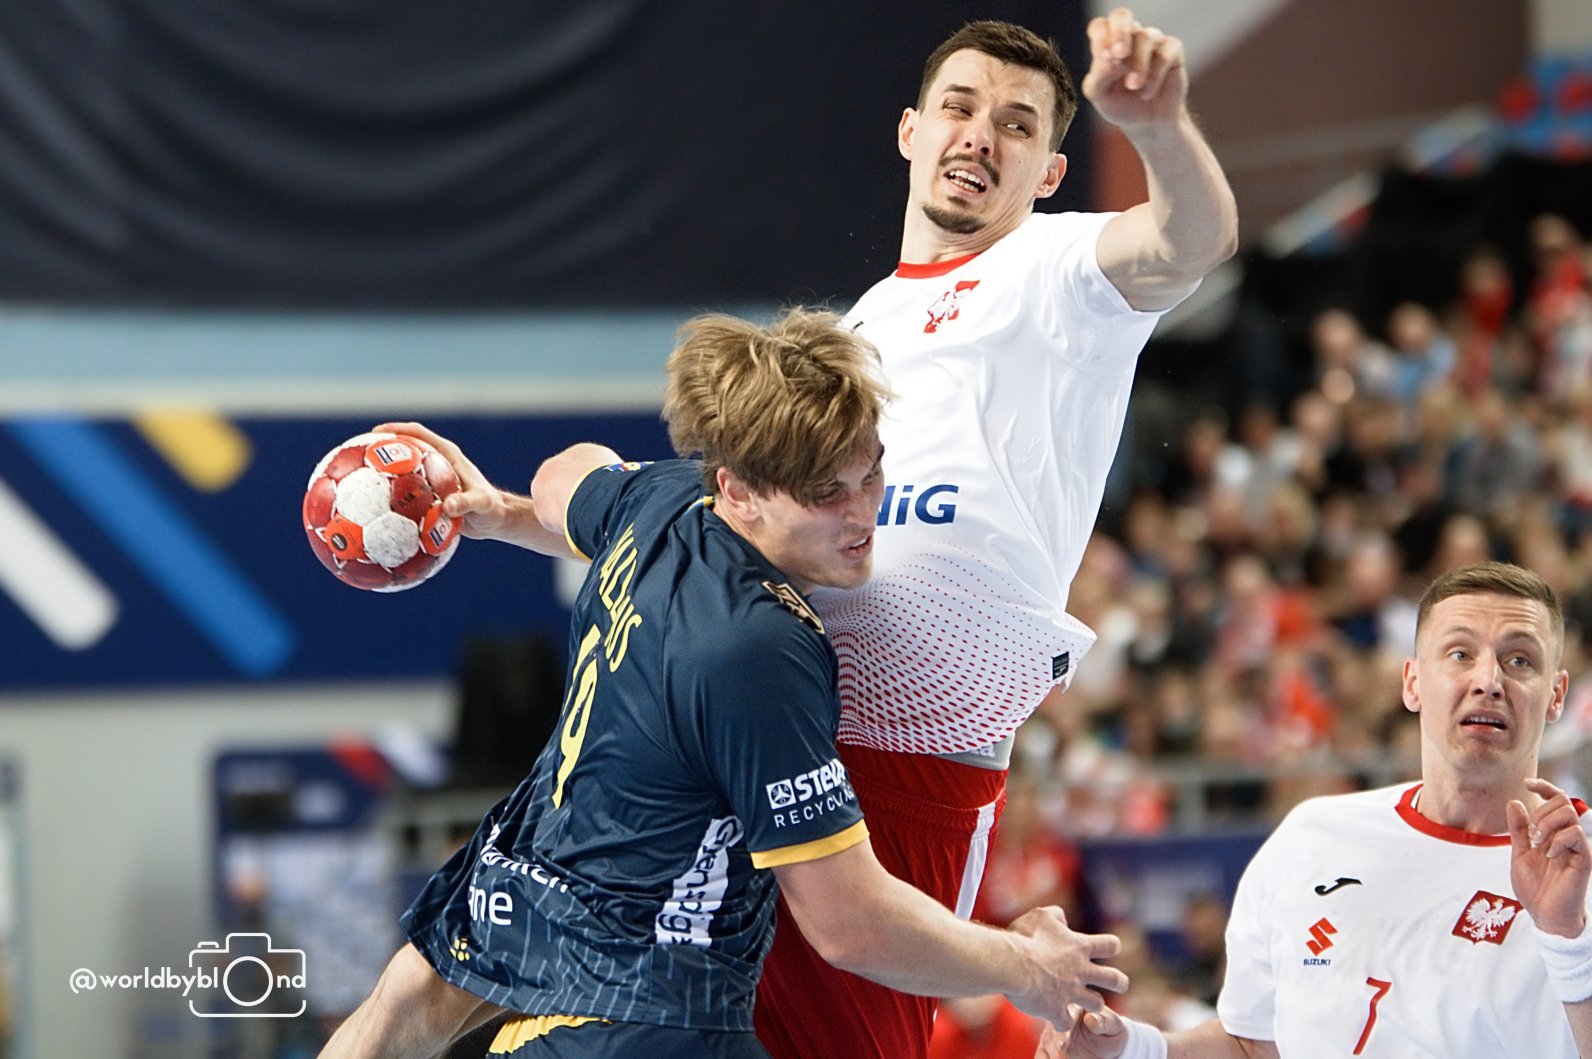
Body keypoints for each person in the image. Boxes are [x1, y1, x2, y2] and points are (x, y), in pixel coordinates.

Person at [318, 308, 1129, 1059]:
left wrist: (505, 512)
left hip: (539, 861)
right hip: (648, 992)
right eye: (824, 494)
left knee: (410, 991)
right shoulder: (760, 650)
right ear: (737, 489)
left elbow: (571, 471)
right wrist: (1030, 967)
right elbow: (851, 922)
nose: (862, 516)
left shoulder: (664, 501)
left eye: (870, 475)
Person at [754, 10, 1238, 1059]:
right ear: (910, 131)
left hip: (922, 746)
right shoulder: (853, 330)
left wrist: (1157, 126)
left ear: (1050, 171)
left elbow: (1188, 240)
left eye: (1016, 125)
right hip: (787, 714)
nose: (980, 134)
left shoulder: (1059, 268)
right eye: (959, 108)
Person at [1045, 561, 1592, 1058]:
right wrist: (1133, 1050)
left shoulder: (1579, 869)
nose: (1488, 681)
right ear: (1412, 683)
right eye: (1460, 654)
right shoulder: (1312, 836)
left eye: (1519, 660)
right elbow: (1252, 1046)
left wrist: (1568, 940)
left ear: (1556, 695)